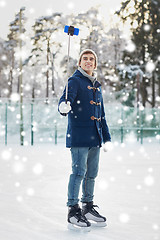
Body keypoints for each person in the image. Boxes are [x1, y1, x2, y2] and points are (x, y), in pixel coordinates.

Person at [58, 49, 111, 229]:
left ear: (95, 64)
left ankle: (87, 207)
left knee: (91, 174)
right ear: (79, 62)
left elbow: (101, 114)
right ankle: (73, 210)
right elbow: (64, 100)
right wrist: (63, 106)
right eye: (85, 58)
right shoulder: (74, 81)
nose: (88, 61)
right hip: (80, 136)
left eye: (91, 59)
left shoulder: (96, 85)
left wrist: (106, 137)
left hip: (95, 137)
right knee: (79, 172)